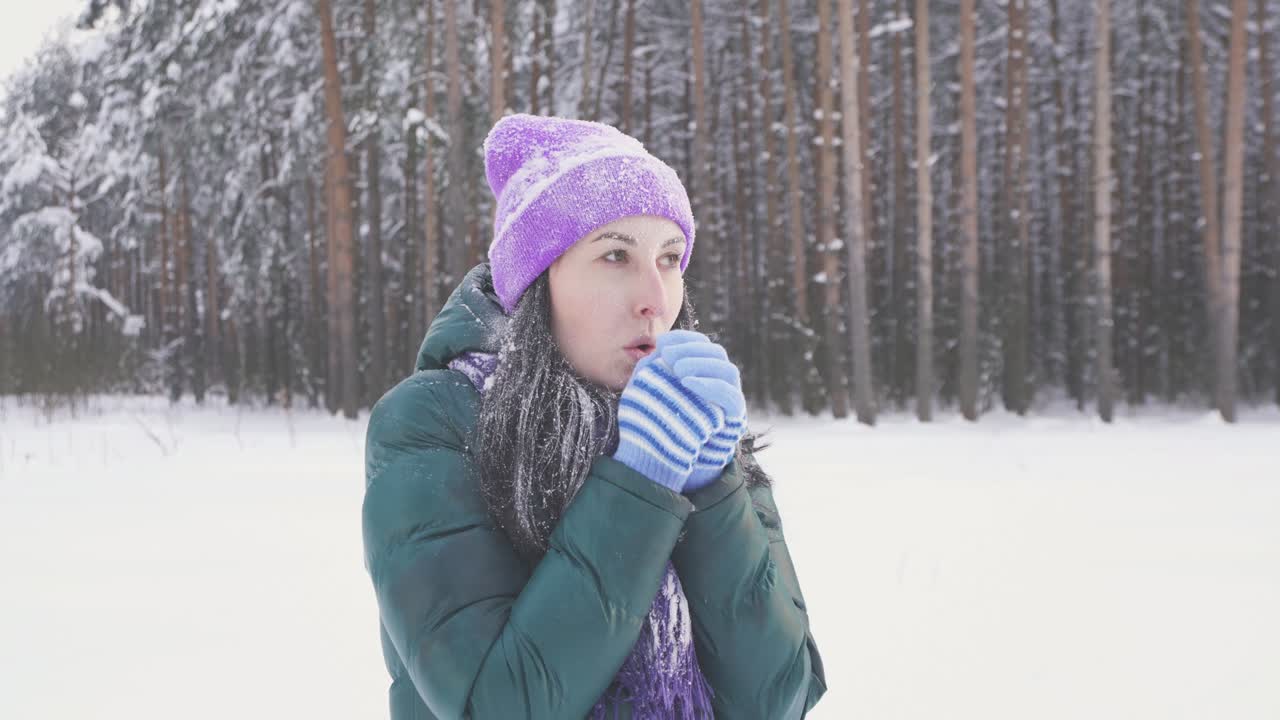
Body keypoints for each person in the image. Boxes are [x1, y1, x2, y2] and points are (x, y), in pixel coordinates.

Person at [362, 113, 826, 719]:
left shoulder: (694, 423)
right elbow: (498, 706)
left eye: (669, 258)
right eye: (615, 255)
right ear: (537, 281)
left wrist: (714, 488)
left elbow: (780, 697)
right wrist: (640, 484)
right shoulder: (432, 423)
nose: (655, 299)